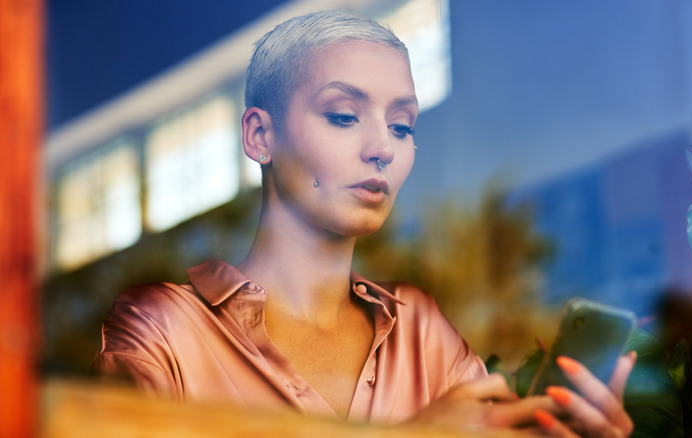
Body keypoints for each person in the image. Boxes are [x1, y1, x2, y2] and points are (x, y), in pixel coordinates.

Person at [93, 10, 635, 436]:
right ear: (260, 136)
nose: (383, 149)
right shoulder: (164, 329)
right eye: (344, 116)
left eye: (402, 126)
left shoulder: (423, 333)